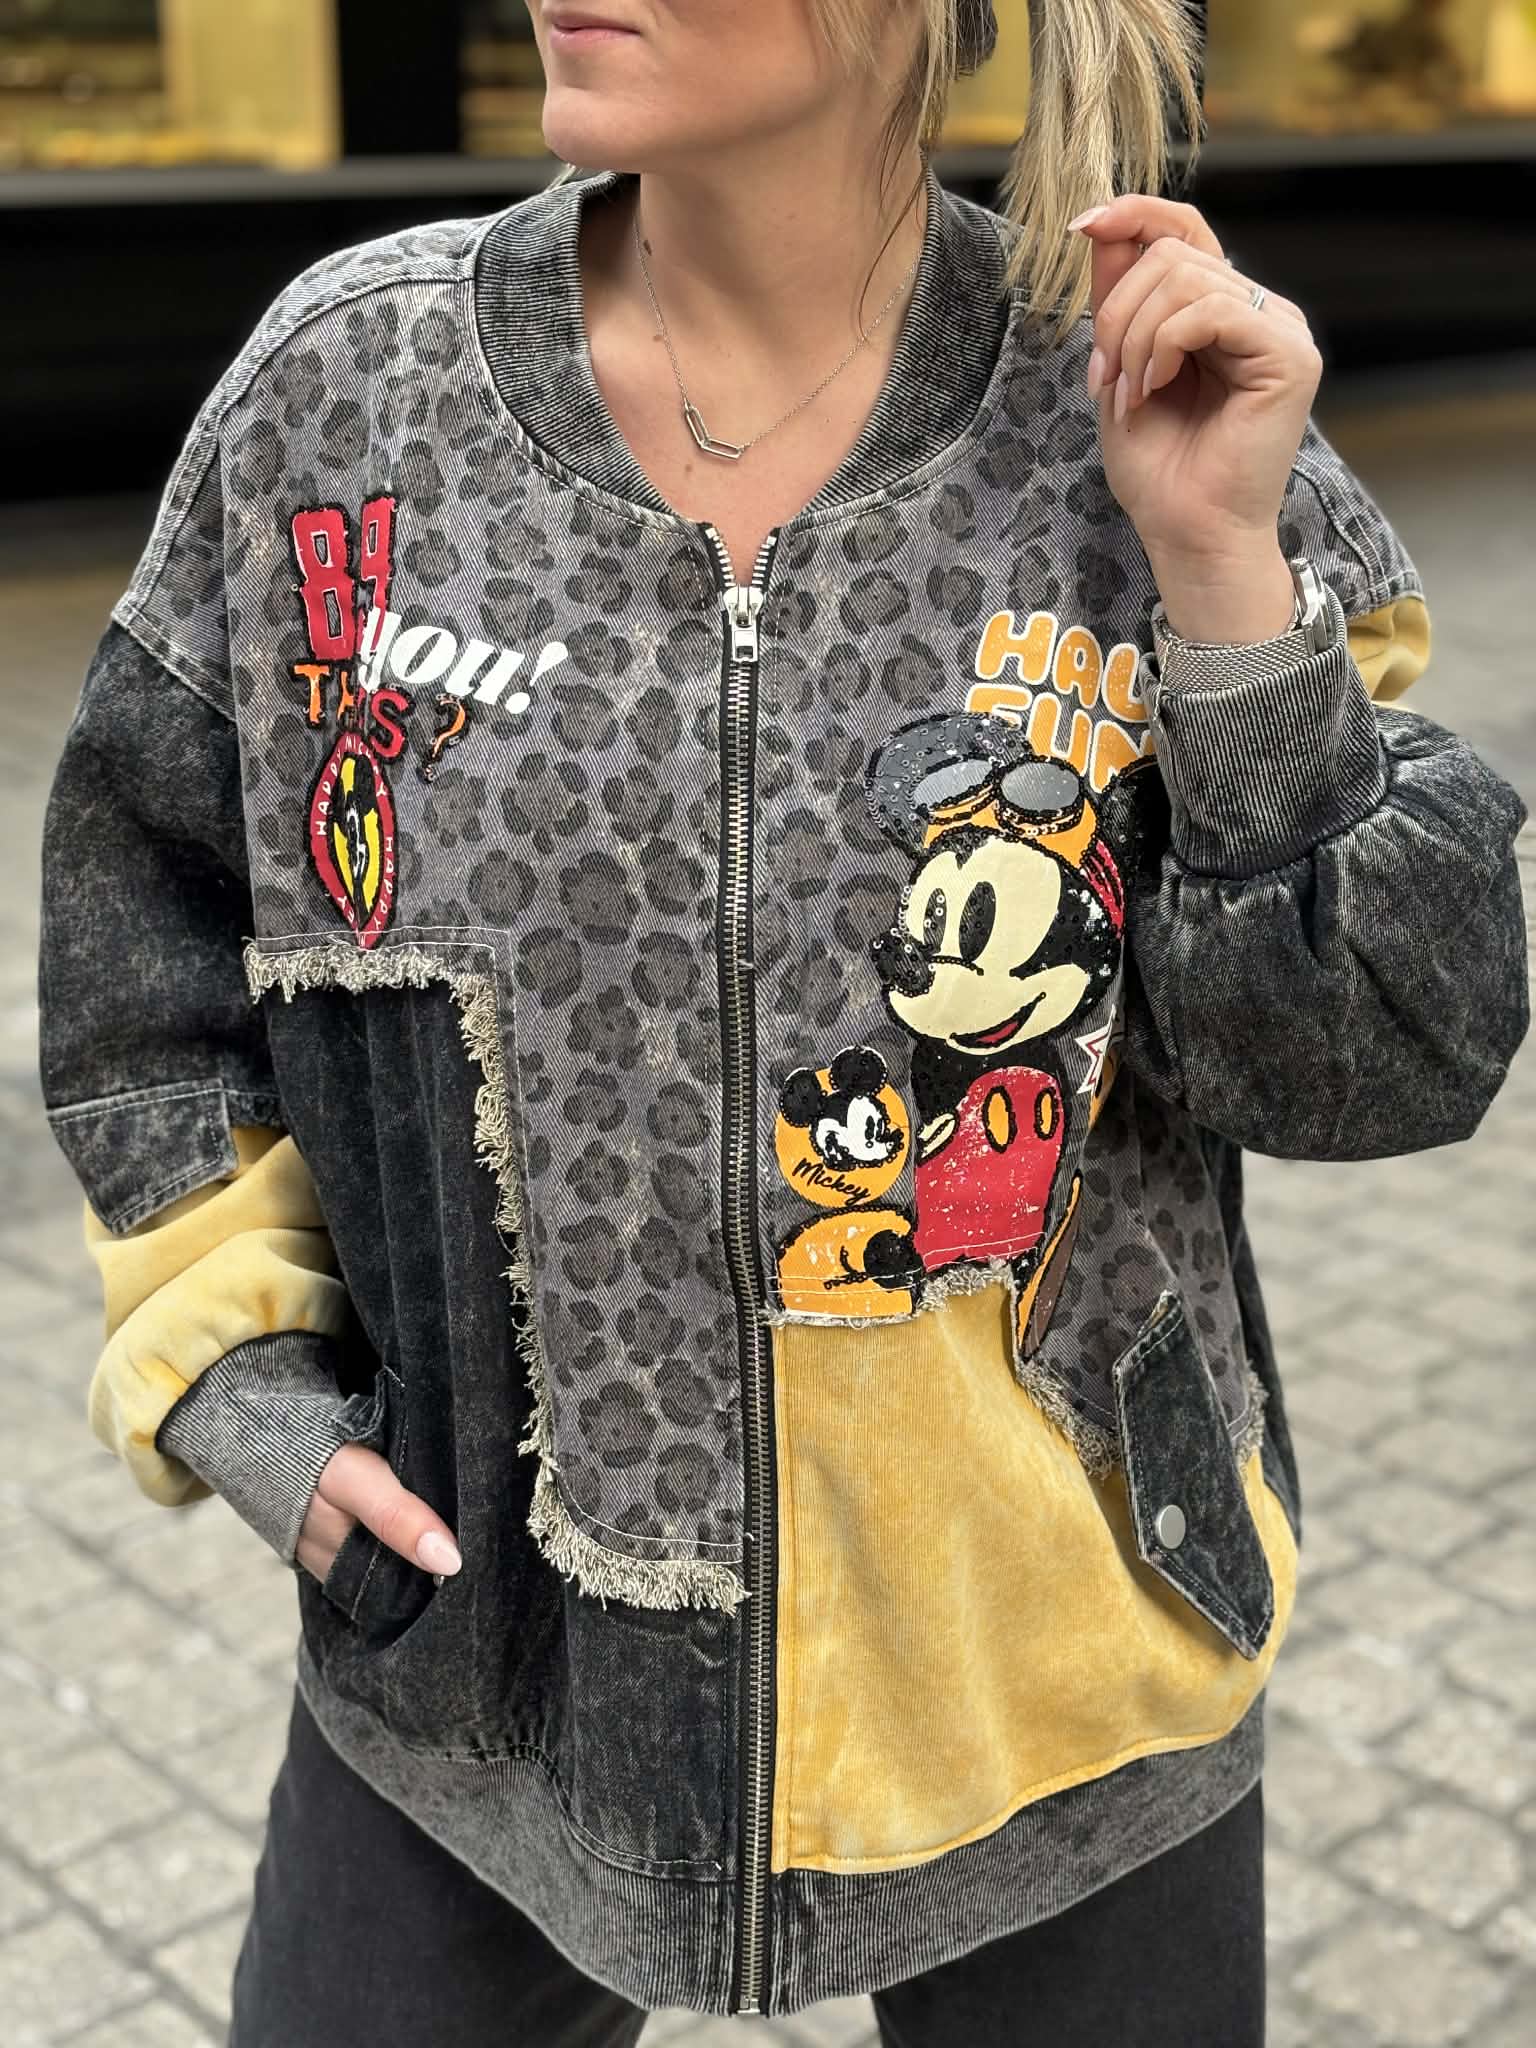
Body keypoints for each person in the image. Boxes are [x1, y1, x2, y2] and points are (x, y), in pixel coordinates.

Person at [37, 2, 1529, 2043]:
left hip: (1067, 1686)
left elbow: (1378, 1065)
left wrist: (1219, 578)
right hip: (482, 1670)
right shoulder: (350, 394)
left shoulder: (1141, 404)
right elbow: (145, 955)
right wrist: (241, 1384)